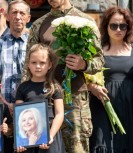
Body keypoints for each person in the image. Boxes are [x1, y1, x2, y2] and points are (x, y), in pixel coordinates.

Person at [25, 0, 105, 152]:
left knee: (77, 148)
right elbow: (27, 64)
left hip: (75, 99)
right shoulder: (39, 24)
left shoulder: (86, 21)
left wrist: (84, 64)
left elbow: (99, 60)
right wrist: (27, 98)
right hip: (46, 98)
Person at [88, 6, 133, 153]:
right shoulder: (96, 51)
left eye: (123, 26)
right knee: (103, 143)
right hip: (103, 106)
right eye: (114, 25)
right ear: (106, 26)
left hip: (129, 107)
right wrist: (92, 87)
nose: (118, 30)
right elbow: (83, 77)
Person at [15, 43, 65, 153]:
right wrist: (20, 141)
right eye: (34, 62)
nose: (38, 66)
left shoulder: (54, 87)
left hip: (49, 138)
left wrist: (50, 136)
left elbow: (59, 114)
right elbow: (19, 115)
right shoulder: (22, 88)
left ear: (50, 65)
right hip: (28, 140)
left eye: (42, 63)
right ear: (28, 64)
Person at [0, 0, 31, 103]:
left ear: (28, 18)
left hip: (28, 106)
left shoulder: (33, 45)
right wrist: (2, 100)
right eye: (14, 12)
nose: (18, 17)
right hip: (1, 104)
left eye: (22, 13)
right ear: (8, 16)